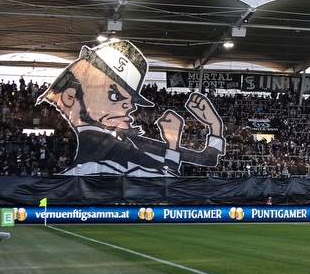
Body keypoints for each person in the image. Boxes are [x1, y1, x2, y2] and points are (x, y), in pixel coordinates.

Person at [38, 40, 226, 176]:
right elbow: (166, 179)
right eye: (115, 96)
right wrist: (172, 146)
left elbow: (206, 160)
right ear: (70, 97)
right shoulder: (100, 145)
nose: (128, 106)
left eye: (129, 100)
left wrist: (215, 126)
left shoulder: (122, 139)